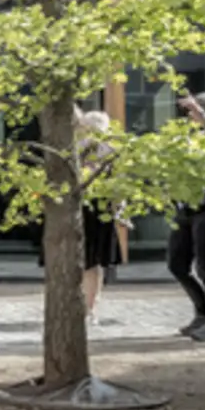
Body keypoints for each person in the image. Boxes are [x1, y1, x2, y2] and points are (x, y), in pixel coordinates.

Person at [168, 91, 205, 341]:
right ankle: (203, 313)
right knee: (177, 264)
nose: (189, 118)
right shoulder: (190, 139)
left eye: (192, 114)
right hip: (186, 209)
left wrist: (200, 113)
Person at [73, 110, 121, 324]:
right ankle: (90, 308)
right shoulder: (110, 149)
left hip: (91, 207)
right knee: (93, 263)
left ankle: (88, 307)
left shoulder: (83, 148)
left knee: (89, 261)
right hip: (98, 208)